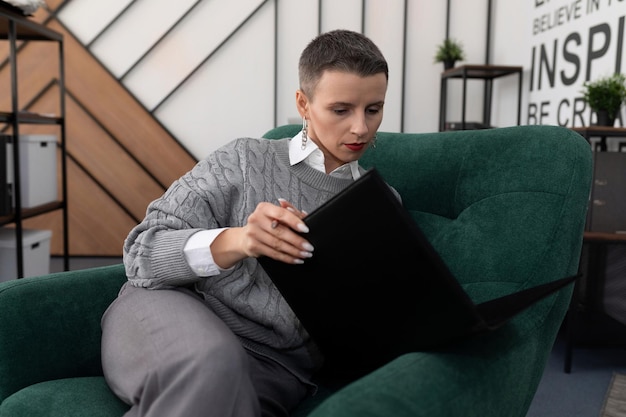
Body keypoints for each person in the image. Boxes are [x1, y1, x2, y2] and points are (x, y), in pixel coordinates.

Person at [100, 29, 389, 417]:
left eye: (373, 109)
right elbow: (141, 254)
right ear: (304, 104)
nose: (361, 128)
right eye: (341, 110)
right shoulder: (244, 158)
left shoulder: (382, 206)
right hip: (174, 308)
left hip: (276, 364)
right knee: (213, 361)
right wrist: (239, 241)